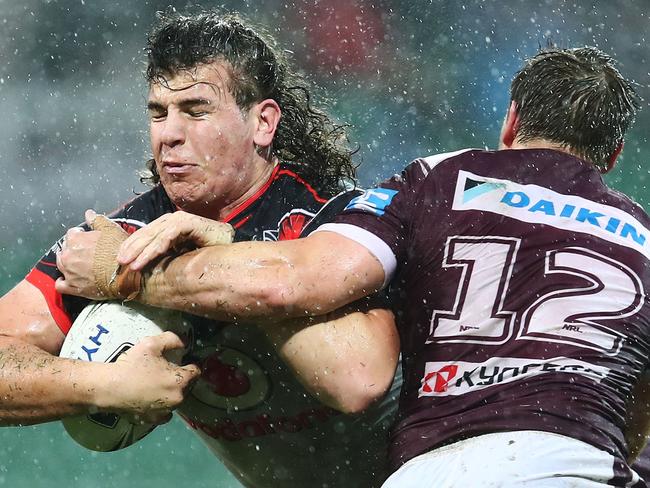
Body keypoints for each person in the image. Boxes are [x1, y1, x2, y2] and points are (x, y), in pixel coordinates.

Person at [60, 46, 650, 486]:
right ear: (614, 156)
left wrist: (128, 269)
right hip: (571, 463)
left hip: (428, 470)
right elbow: (637, 417)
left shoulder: (439, 179)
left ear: (511, 122)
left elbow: (298, 280)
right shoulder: (643, 237)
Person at [1, 10, 400, 488]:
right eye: (158, 112)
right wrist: (103, 386)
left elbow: (358, 379)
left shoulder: (327, 219)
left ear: (263, 123)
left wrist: (181, 270)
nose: (168, 134)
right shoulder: (121, 238)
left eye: (195, 111)